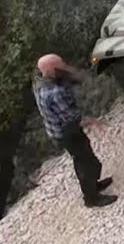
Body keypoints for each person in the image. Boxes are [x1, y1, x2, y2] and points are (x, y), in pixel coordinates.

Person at [32, 54, 116, 208]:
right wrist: (94, 122)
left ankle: (94, 185)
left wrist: (67, 71)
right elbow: (72, 119)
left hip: (61, 127)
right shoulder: (54, 93)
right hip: (66, 132)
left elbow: (74, 79)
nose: (64, 66)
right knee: (85, 162)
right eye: (60, 65)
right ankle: (92, 199)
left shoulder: (41, 79)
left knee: (86, 156)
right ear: (51, 69)